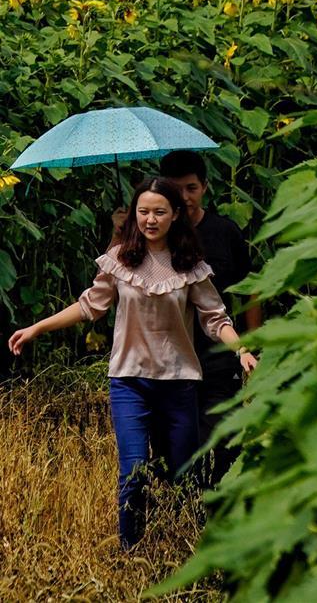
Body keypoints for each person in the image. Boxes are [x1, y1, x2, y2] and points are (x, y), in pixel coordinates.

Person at [9, 176, 257, 549]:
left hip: (179, 382)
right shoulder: (120, 260)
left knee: (182, 470)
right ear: (134, 215)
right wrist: (36, 328)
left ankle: (182, 547)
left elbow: (216, 319)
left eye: (159, 212)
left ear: (175, 215)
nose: (150, 219)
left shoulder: (191, 266)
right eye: (143, 212)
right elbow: (88, 305)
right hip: (129, 382)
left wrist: (242, 350)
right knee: (134, 471)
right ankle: (131, 549)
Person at [111, 151, 261, 487]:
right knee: (171, 451)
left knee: (225, 440)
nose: (186, 197)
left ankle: (219, 509)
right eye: (178, 190)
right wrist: (121, 234)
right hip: (168, 363)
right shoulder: (149, 241)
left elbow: (252, 290)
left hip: (217, 359)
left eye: (192, 188)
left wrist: (250, 345)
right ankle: (181, 513)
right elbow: (112, 284)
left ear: (205, 187)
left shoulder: (224, 232)